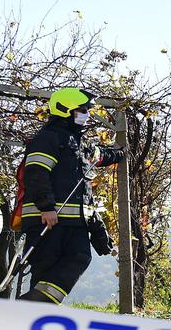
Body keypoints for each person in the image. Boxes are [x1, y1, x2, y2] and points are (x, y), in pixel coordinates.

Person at [15, 87, 122, 304]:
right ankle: (32, 314)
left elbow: (101, 155)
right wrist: (46, 207)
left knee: (80, 257)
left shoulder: (79, 143)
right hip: (47, 220)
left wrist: (121, 153)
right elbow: (36, 173)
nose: (86, 114)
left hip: (74, 223)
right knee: (45, 269)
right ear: (65, 110)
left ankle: (32, 304)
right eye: (82, 110)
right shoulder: (47, 139)